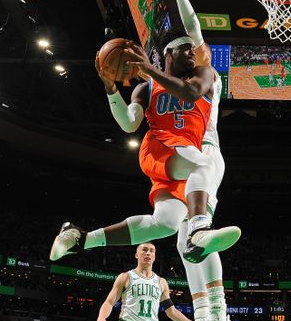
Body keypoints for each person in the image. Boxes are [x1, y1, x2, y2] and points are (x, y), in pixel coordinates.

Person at [49, 26, 241, 265]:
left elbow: (190, 93)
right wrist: (111, 88)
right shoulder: (146, 88)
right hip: (163, 147)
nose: (193, 52)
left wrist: (149, 69)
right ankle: (199, 230)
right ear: (169, 53)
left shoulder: (204, 73)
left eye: (193, 48)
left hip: (182, 159)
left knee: (165, 224)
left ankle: (80, 238)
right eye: (186, 48)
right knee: (204, 164)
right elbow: (129, 124)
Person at [163, 0, 240, 321]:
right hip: (188, 167)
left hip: (205, 157)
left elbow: (194, 30)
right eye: (181, 51)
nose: (190, 53)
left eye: (191, 51)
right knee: (184, 246)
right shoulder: (165, 88)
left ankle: (217, 318)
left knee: (193, 235)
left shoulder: (207, 78)